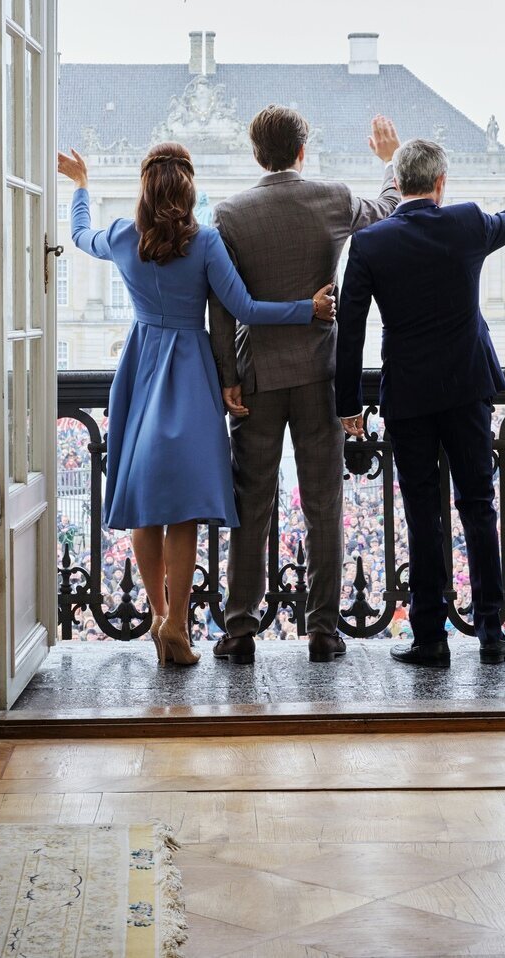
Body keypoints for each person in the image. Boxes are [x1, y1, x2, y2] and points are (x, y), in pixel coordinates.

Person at [57, 141, 336, 668]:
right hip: (189, 372)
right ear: (188, 191)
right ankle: (177, 624)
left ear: (144, 189)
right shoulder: (204, 244)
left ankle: (159, 614)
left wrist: (80, 187)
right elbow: (247, 308)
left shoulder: (121, 236)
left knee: (145, 506)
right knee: (182, 510)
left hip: (140, 370)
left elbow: (78, 235)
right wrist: (309, 309)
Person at [335, 120, 505, 667]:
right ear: (441, 183)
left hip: (407, 394)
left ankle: (429, 637)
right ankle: (492, 634)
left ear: (400, 183)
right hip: (467, 386)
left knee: (422, 514)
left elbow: (351, 329)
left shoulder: (370, 242)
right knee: (478, 508)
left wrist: (347, 405)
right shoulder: (466, 223)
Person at [208, 106, 401, 664]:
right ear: (302, 150)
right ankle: (322, 628)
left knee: (252, 504)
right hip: (321, 371)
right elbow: (389, 210)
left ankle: (240, 627)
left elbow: (221, 306)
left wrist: (227, 376)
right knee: (323, 505)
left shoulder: (231, 214)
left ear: (256, 155)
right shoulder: (333, 198)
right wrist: (389, 161)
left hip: (258, 377)